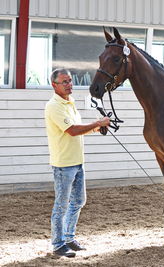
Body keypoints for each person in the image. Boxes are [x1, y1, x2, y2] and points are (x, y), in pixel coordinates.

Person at [45, 69, 110, 257]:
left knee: (79, 201)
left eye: (70, 80)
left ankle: (69, 238)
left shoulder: (70, 103)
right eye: (64, 81)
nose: (69, 84)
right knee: (61, 205)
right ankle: (58, 244)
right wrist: (98, 122)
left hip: (77, 161)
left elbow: (79, 130)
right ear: (54, 85)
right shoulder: (53, 106)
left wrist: (97, 128)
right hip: (64, 163)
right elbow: (72, 130)